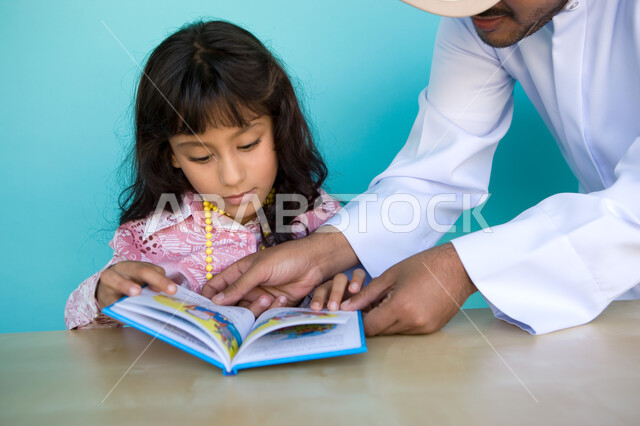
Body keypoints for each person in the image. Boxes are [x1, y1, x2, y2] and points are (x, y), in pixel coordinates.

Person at [202, 0, 640, 336]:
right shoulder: (479, 15)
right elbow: (435, 171)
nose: (472, 10)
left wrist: (461, 268)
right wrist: (322, 252)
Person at [64, 20, 341, 329]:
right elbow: (80, 328)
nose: (232, 176)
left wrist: (347, 288)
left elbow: (371, 286)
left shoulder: (326, 219)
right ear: (170, 153)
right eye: (201, 156)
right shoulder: (151, 234)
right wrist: (103, 295)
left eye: (248, 144)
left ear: (279, 128)